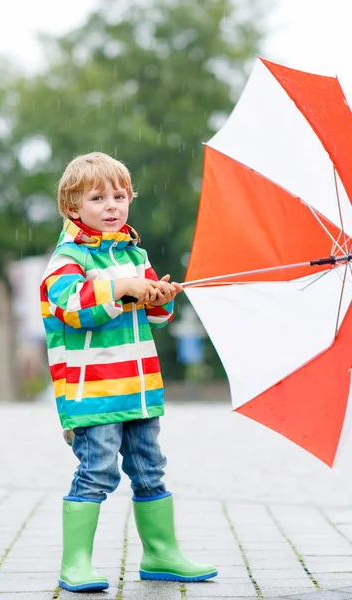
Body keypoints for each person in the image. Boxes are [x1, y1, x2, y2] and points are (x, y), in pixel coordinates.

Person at [40, 152, 218, 592]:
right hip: (95, 394)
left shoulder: (134, 254)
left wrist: (159, 294)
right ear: (72, 207)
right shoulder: (68, 258)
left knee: (150, 467)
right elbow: (72, 306)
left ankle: (161, 552)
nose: (112, 205)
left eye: (120, 196)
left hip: (139, 390)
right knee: (97, 470)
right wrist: (121, 287)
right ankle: (75, 562)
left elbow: (156, 320)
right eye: (98, 197)